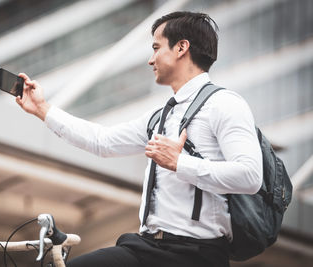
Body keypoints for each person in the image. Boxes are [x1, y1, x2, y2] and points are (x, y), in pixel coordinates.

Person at [16, 11, 262, 267]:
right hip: (147, 248)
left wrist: (180, 163)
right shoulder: (160, 116)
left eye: (156, 48)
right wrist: (42, 109)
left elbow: (250, 176)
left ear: (181, 47)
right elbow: (102, 141)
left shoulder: (225, 104)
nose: (150, 59)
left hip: (197, 255)